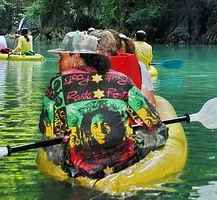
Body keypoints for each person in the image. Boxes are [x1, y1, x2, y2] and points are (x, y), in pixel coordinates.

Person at [39, 31, 167, 179]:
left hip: (80, 167)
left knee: (49, 142)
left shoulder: (57, 83)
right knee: (159, 132)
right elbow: (153, 121)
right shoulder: (122, 79)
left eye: (61, 57)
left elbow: (48, 131)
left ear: (77, 57)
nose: (58, 63)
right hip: (124, 163)